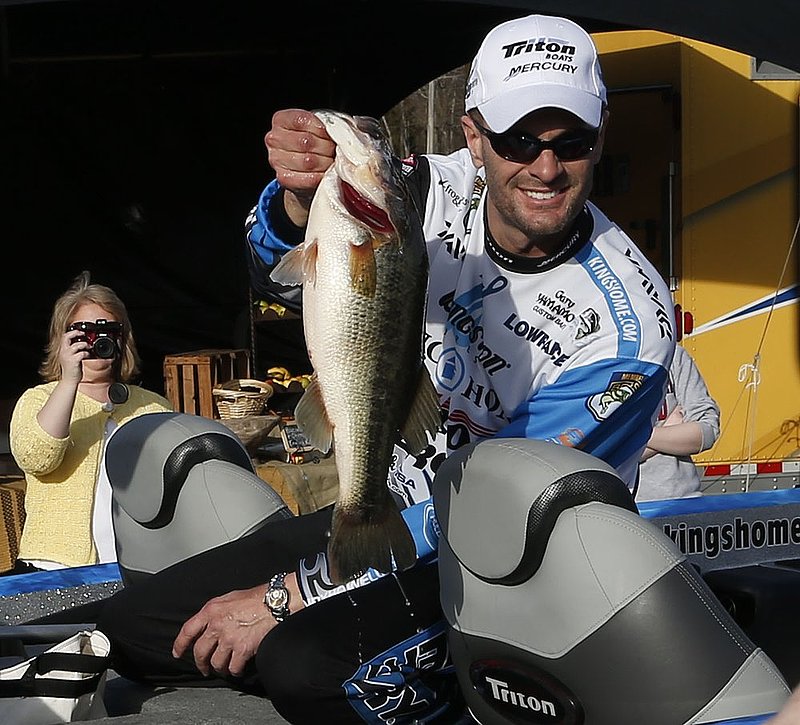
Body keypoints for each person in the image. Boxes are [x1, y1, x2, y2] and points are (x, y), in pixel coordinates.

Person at [92, 14, 675, 723]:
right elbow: (271, 279)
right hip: (378, 513)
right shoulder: (421, 188)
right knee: (133, 626)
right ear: (473, 136)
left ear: (602, 133)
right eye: (518, 139)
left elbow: (496, 513)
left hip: (510, 567)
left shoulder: (630, 328)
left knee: (301, 664)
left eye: (570, 142)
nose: (545, 167)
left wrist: (288, 596)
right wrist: (298, 197)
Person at [7, 271, 171, 574]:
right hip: (56, 568)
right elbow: (37, 458)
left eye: (108, 330)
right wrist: (70, 380)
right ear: (62, 339)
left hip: (137, 568)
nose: (97, 340)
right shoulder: (38, 399)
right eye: (84, 332)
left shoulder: (153, 405)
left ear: (123, 338)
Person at [636, 343, 720, 501]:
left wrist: (630, 438)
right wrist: (671, 429)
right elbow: (599, 454)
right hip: (616, 507)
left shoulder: (671, 354)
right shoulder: (589, 363)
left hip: (679, 500)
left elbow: (707, 432)